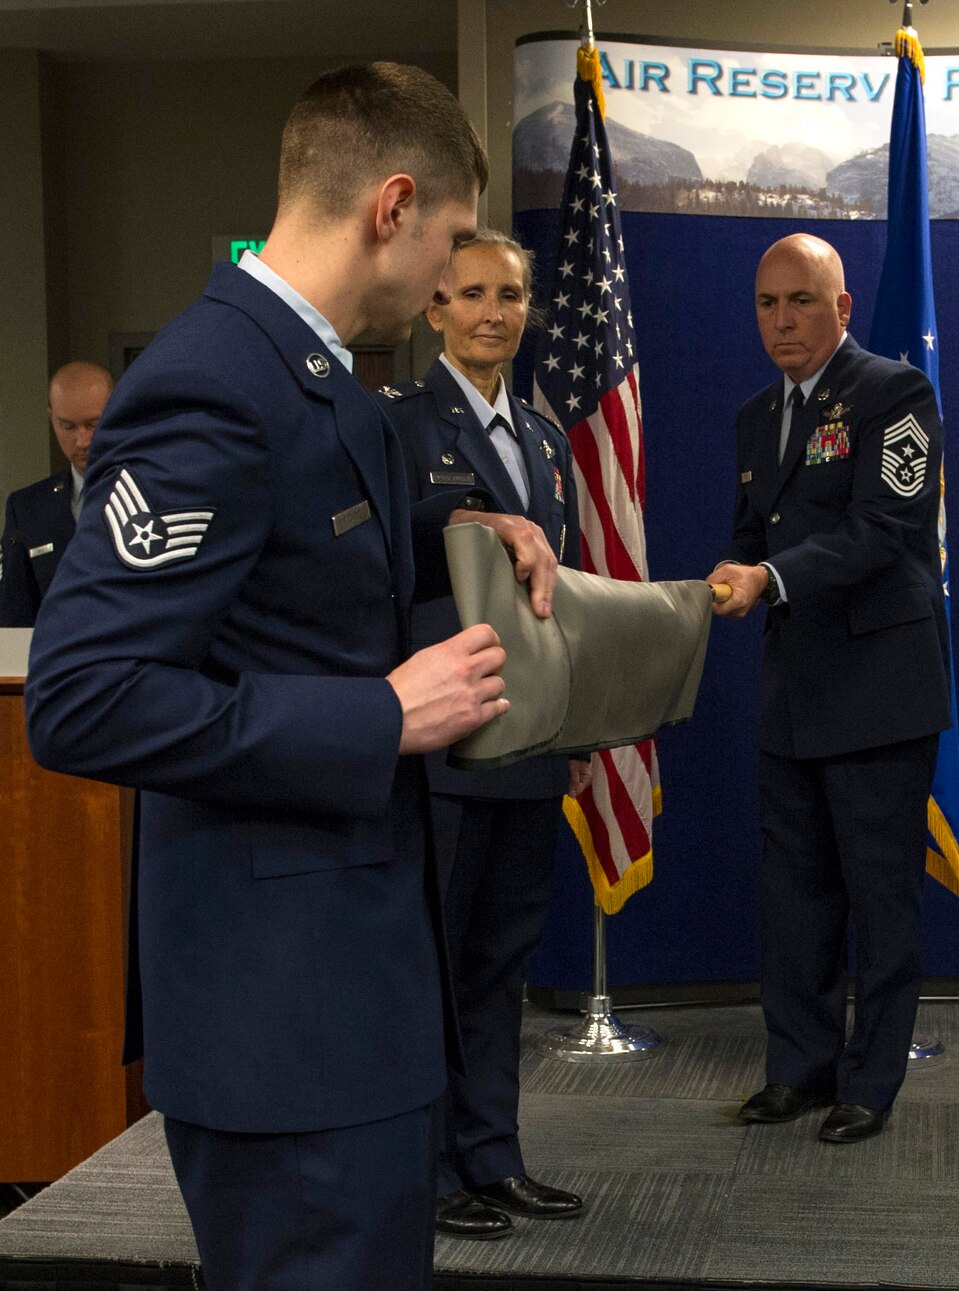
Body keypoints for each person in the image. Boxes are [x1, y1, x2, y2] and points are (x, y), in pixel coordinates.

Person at [24, 63, 559, 1291]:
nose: (446, 284)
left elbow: (299, 588)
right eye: (445, 245)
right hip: (282, 1021)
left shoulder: (328, 385)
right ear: (391, 205)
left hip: (356, 1000)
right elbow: (86, 693)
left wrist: (462, 536)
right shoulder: (215, 378)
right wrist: (377, 712)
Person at [710, 233, 951, 1144]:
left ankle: (871, 1080)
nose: (783, 321)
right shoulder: (753, 416)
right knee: (797, 895)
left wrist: (766, 580)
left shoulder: (895, 394)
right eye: (768, 304)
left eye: (801, 301)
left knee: (880, 898)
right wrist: (726, 577)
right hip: (793, 691)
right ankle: (799, 1068)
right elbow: (749, 537)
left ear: (842, 308)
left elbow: (883, 531)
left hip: (880, 691)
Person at [377, 229, 589, 1240]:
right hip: (448, 746)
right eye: (470, 294)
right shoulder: (400, 430)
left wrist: (578, 725)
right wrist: (478, 518)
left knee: (502, 961)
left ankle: (493, 1156)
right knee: (438, 960)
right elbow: (396, 562)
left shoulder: (546, 441)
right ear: (434, 310)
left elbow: (564, 596)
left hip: (530, 739)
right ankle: (424, 1173)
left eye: (508, 294)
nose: (493, 311)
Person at [0, 361, 111, 626]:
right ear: (52, 418)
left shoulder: (154, 492)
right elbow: (15, 617)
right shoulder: (27, 508)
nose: (82, 441)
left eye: (93, 425)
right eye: (68, 427)